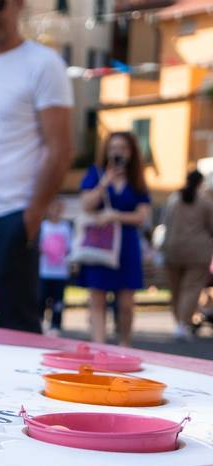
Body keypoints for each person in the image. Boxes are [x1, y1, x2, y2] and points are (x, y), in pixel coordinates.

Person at [0, 0, 73, 332]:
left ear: (19, 5)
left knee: (16, 325)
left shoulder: (44, 64)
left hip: (12, 215)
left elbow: (60, 148)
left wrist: (31, 216)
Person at [77, 132, 151, 346]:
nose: (118, 152)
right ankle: (99, 346)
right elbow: (85, 204)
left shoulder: (137, 178)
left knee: (126, 303)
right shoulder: (96, 174)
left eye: (123, 148)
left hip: (126, 244)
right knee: (97, 299)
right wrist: (104, 182)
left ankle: (125, 344)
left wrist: (115, 215)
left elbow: (141, 216)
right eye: (113, 148)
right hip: (99, 244)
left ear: (131, 152)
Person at [162, 170, 213, 341]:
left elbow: (165, 223)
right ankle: (183, 324)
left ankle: (179, 323)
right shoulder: (205, 201)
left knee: (176, 290)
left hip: (173, 249)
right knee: (191, 289)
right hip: (197, 251)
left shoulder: (173, 199)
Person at [37, 200, 71, 336]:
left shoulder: (65, 227)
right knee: (41, 299)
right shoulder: (43, 226)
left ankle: (56, 325)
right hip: (44, 272)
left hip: (60, 272)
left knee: (58, 302)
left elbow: (69, 247)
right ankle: (39, 323)